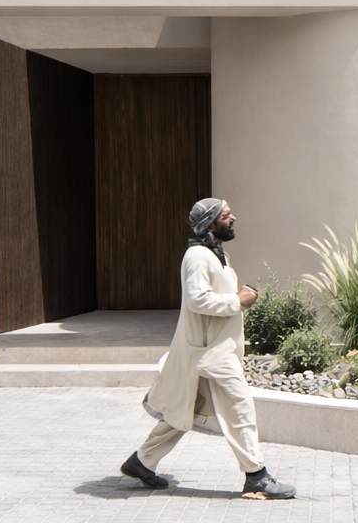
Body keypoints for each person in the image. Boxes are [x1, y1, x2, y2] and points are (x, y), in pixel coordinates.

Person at [120, 197, 296, 500]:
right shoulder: (198, 256)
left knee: (183, 411)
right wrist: (238, 301)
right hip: (210, 355)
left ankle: (141, 461)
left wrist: (238, 296)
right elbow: (197, 299)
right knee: (240, 408)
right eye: (226, 215)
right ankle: (256, 477)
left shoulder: (214, 253)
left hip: (214, 352)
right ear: (210, 223)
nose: (233, 218)